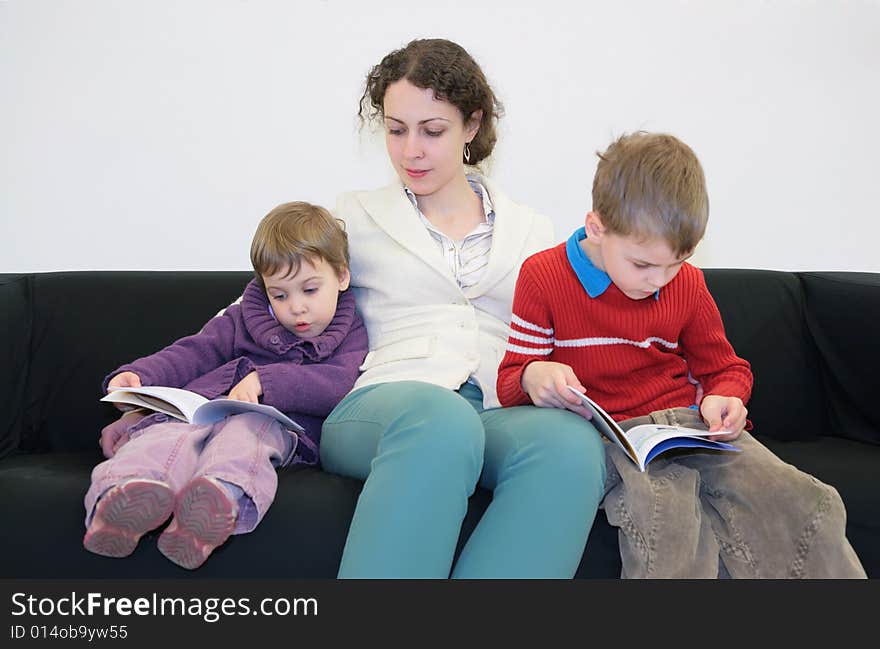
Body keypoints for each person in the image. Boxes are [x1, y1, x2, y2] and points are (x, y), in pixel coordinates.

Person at [497, 131, 867, 578]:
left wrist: (723, 398)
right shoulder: (543, 276)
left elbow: (725, 368)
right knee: (669, 530)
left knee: (806, 499)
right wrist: (536, 375)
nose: (660, 279)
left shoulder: (686, 283)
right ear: (596, 227)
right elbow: (510, 380)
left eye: (675, 263)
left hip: (691, 429)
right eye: (643, 265)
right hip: (619, 441)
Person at [321, 38, 606, 578]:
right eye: (396, 129)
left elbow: (568, 331)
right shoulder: (351, 216)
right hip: (388, 404)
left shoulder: (532, 229)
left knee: (569, 444)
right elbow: (262, 305)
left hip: (497, 407)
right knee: (440, 421)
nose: (411, 152)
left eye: (432, 131)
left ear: (471, 126)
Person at [83, 202, 368, 570]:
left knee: (247, 435)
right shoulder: (241, 318)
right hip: (204, 409)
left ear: (341, 277)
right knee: (166, 435)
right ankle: (124, 497)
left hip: (272, 423)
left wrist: (266, 381)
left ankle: (214, 503)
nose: (296, 308)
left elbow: (341, 384)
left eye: (309, 290)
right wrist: (141, 376)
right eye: (279, 295)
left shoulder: (351, 330)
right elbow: (195, 351)